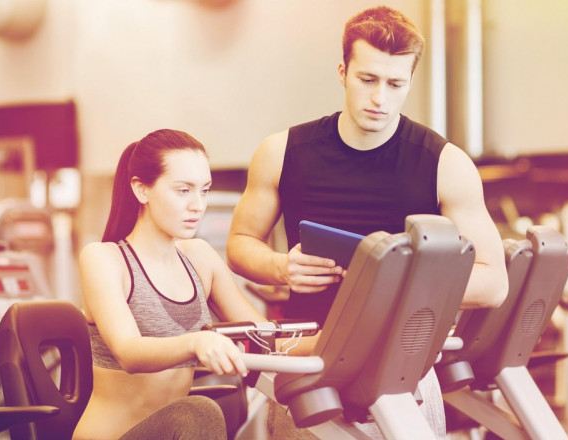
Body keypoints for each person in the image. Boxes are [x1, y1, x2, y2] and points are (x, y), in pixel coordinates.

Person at [226, 5, 508, 439]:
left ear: (410, 81)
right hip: (310, 364)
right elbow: (241, 243)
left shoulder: (445, 164)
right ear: (342, 71)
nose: (380, 99)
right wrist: (281, 267)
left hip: (405, 371)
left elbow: (493, 283)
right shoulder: (282, 152)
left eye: (396, 84)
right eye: (368, 80)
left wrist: (400, 287)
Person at [73, 129, 266, 440]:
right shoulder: (104, 259)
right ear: (141, 190)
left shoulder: (199, 258)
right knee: (199, 411)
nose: (197, 205)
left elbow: (263, 334)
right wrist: (196, 342)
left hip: (173, 435)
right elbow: (130, 352)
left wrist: (335, 344)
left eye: (204, 190)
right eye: (183, 190)